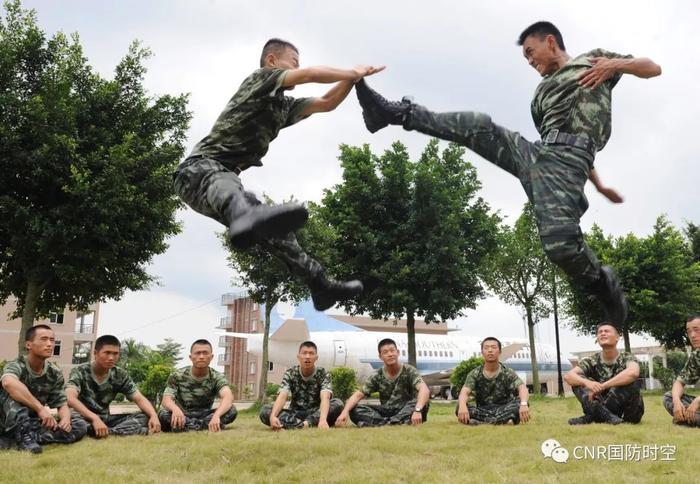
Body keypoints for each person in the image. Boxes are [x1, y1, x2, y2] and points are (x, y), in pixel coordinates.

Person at [355, 21, 662, 327]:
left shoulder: (593, 60)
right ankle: (395, 113)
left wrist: (613, 65)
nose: (530, 62)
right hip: (540, 155)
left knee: (560, 245)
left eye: (531, 52)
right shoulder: (540, 95)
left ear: (550, 42)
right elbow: (558, 134)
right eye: (526, 58)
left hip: (571, 161)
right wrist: (599, 185)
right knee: (478, 125)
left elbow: (652, 68)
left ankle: (600, 283)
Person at [174, 38, 385, 311]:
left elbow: (326, 102)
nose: (298, 68)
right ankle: (243, 213)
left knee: (277, 234)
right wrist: (350, 72)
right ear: (272, 60)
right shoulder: (261, 79)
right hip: (199, 168)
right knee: (227, 186)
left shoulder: (283, 106)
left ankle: (321, 285)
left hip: (224, 185)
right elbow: (310, 75)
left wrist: (352, 80)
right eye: (293, 62)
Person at [0, 325, 87, 453]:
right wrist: (40, 409)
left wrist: (65, 420)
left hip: (31, 422)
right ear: (29, 345)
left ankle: (18, 440)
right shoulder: (16, 365)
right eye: (44, 339)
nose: (49, 344)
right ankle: (23, 437)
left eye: (52, 340)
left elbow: (62, 403)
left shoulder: (54, 372)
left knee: (80, 425)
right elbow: (8, 382)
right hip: (7, 420)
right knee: (12, 392)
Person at [66, 334, 160, 437]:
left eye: (115, 354)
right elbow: (69, 397)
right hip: (83, 418)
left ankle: (109, 432)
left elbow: (139, 398)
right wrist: (94, 418)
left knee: (144, 417)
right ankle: (123, 431)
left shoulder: (119, 374)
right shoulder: (80, 371)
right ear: (95, 353)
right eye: (107, 353)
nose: (111, 358)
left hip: (105, 419)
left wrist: (153, 415)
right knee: (80, 426)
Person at [336, 338, 430, 427]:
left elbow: (424, 389)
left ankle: (379, 423)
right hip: (387, 410)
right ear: (380, 357)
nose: (390, 354)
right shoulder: (377, 375)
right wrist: (345, 412)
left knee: (421, 403)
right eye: (385, 352)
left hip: (407, 409)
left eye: (392, 350)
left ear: (398, 353)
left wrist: (417, 410)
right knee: (355, 409)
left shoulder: (409, 370)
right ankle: (394, 423)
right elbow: (358, 394)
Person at [564, 323, 644, 424]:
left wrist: (603, 386)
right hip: (601, 405)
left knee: (631, 380)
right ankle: (603, 416)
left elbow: (633, 373)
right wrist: (588, 383)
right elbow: (568, 376)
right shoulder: (592, 360)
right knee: (577, 380)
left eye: (607, 331)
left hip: (627, 413)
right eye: (600, 332)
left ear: (617, 337)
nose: (602, 334)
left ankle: (593, 417)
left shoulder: (627, 358)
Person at [260, 341, 343, 430]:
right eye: (304, 353)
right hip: (295, 413)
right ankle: (302, 425)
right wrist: (273, 416)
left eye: (311, 353)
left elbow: (325, 397)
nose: (307, 357)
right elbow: (283, 395)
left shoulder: (323, 374)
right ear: (298, 357)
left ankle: (300, 425)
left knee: (338, 403)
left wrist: (322, 419)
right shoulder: (290, 373)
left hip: (317, 414)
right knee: (265, 410)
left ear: (316, 358)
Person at [159, 339, 236, 432]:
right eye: (197, 353)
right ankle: (202, 426)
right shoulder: (177, 375)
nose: (201, 356)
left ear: (211, 357)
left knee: (232, 410)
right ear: (191, 357)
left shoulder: (217, 377)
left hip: (205, 415)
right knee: (163, 414)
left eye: (205, 353)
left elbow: (228, 397)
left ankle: (185, 427)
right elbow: (166, 400)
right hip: (182, 414)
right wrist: (175, 409)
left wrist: (217, 415)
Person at [456, 337, 530, 425]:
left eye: (493, 347)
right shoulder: (474, 373)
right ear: (482, 352)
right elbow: (464, 392)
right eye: (486, 348)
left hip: (504, 408)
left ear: (499, 352)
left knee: (519, 403)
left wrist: (524, 404)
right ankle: (504, 421)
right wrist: (462, 406)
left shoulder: (508, 372)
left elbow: (522, 388)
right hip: (483, 410)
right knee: (459, 406)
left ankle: (481, 422)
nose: (490, 350)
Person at [663, 313, 700, 427]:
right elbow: (679, 382)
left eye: (696, 330)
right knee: (669, 397)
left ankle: (688, 420)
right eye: (689, 332)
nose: (692, 335)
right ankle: (689, 418)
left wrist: (697, 401)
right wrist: (676, 401)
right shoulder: (696, 356)